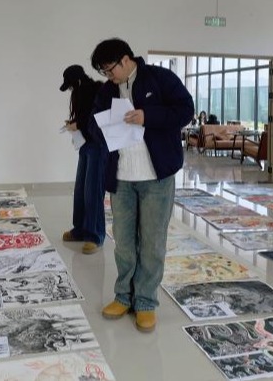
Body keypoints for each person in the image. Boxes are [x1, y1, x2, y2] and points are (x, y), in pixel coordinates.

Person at [89, 38, 194, 332]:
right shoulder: (107, 91)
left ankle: (146, 301)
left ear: (125, 60)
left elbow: (185, 110)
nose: (108, 76)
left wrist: (149, 116)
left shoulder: (160, 79)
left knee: (151, 243)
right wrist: (104, 127)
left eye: (109, 69)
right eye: (103, 72)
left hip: (155, 178)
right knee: (124, 243)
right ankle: (123, 296)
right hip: (122, 177)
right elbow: (93, 126)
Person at [59, 65, 107, 254]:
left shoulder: (96, 91)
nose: (70, 90)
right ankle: (79, 229)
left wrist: (78, 124)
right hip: (86, 144)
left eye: (71, 85)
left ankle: (95, 235)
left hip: (97, 145)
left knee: (92, 191)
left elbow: (97, 120)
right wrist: (75, 123)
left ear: (78, 81)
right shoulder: (80, 92)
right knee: (80, 189)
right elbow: (84, 116)